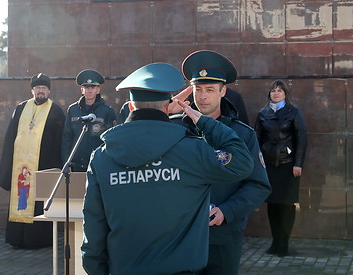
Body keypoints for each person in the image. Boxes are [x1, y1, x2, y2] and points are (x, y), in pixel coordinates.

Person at [81, 62, 255, 275]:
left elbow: (94, 223)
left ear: (131, 106)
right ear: (168, 106)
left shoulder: (101, 157)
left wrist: (96, 269)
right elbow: (241, 163)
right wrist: (203, 121)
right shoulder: (193, 150)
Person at [172, 50, 271, 275]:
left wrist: (227, 211)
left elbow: (258, 185)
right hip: (179, 236)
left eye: (210, 90)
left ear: (223, 91)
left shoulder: (241, 134)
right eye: (198, 89)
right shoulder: (174, 129)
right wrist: (163, 116)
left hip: (222, 237)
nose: (203, 96)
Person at [0, 73, 65, 249]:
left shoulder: (55, 111)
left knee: (38, 203)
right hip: (20, 167)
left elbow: (60, 140)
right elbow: (10, 136)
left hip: (43, 165)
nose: (40, 91)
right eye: (37, 88)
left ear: (48, 91)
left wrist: (56, 167)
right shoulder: (20, 109)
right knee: (21, 199)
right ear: (32, 90)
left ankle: (38, 240)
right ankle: (17, 239)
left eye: (43, 88)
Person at [254, 80, 307, 257]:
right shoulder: (263, 113)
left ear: (285, 94)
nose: (276, 93)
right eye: (273, 91)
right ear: (269, 94)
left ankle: (284, 243)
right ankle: (275, 242)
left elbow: (301, 138)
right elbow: (257, 140)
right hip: (268, 164)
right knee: (272, 203)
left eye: (280, 91)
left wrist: (298, 163)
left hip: (288, 165)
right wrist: (257, 164)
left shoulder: (294, 112)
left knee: (286, 204)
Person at [61, 69, 116, 171]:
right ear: (82, 90)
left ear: (98, 90)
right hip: (75, 165)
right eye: (86, 87)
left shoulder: (107, 112)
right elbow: (66, 138)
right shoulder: (73, 110)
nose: (89, 90)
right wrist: (66, 162)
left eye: (93, 87)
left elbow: (110, 141)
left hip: (97, 165)